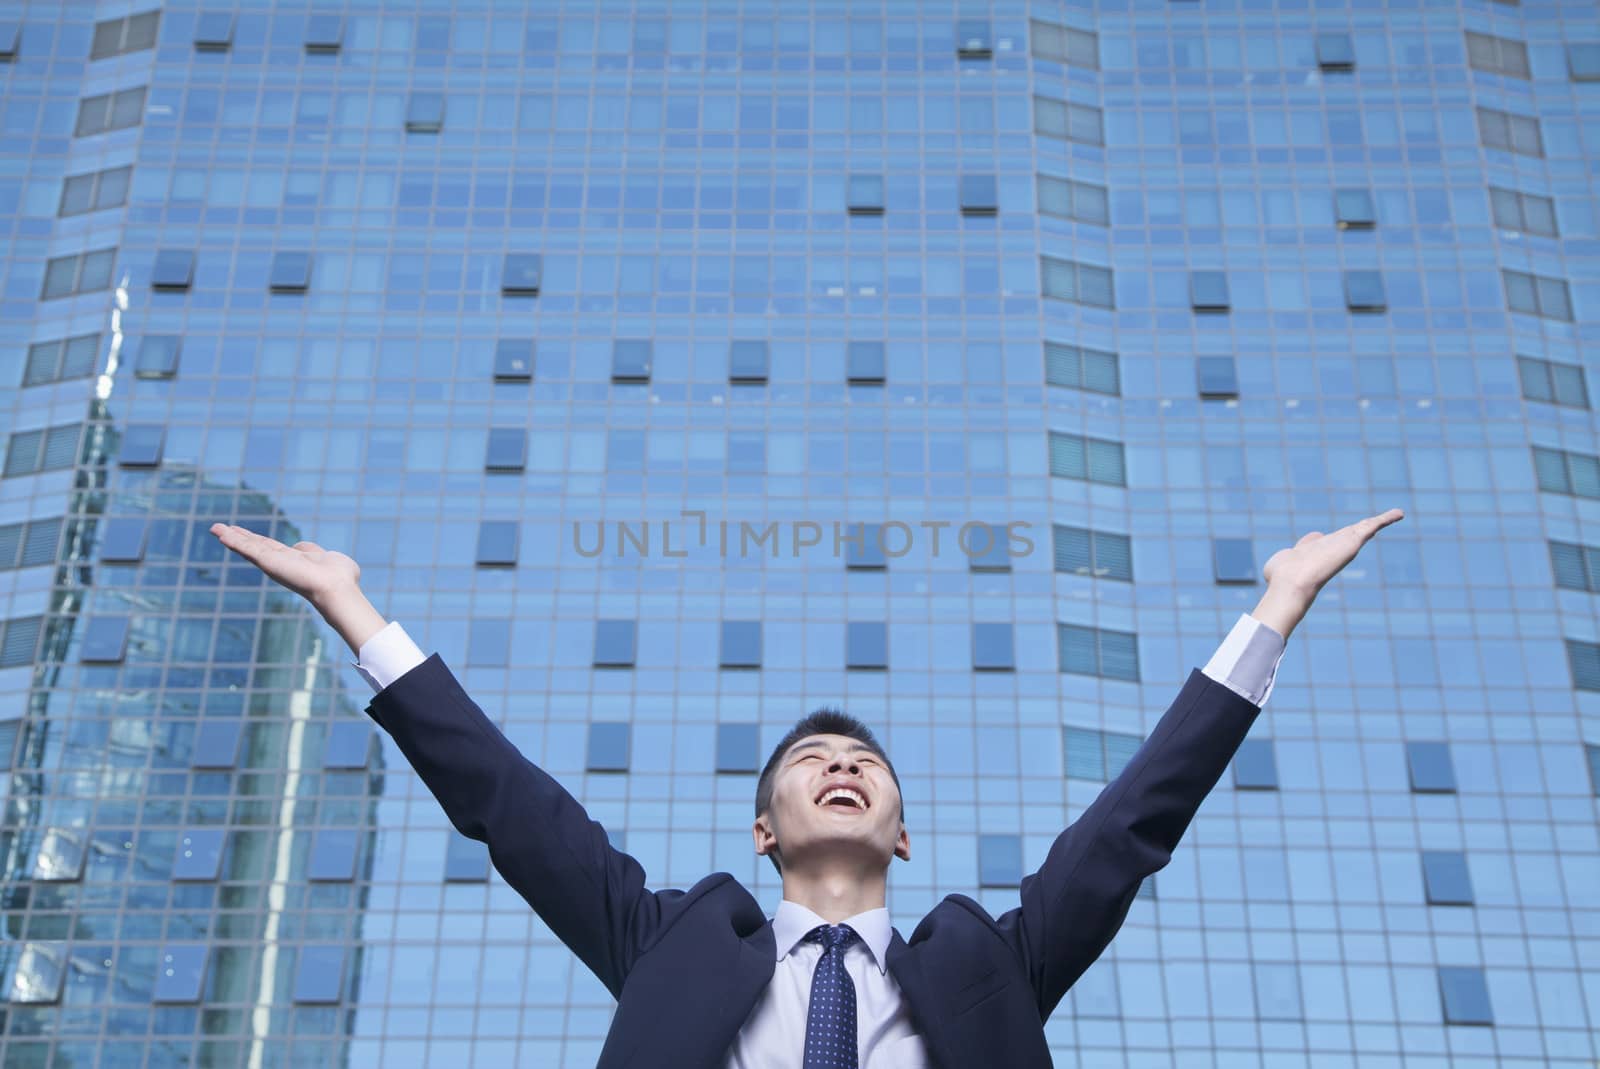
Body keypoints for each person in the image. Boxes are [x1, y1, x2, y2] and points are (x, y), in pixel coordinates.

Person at [211, 508, 1403, 1068]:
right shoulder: (666, 936)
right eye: (809, 763)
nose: (841, 765)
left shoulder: (992, 961)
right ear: (763, 830)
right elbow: (510, 808)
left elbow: (1134, 821)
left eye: (865, 765)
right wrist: (353, 612)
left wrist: (1276, 607)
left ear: (900, 827)